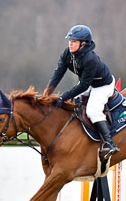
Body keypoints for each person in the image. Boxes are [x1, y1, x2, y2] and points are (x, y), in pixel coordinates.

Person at [43, 25, 120, 159]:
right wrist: (47, 93)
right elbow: (58, 73)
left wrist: (63, 97)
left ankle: (109, 143)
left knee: (92, 111)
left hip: (102, 85)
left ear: (83, 44)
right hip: (89, 83)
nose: (70, 44)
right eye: (70, 41)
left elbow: (84, 85)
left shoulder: (90, 59)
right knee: (74, 105)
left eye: (74, 41)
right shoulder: (67, 53)